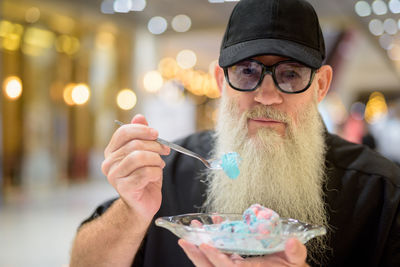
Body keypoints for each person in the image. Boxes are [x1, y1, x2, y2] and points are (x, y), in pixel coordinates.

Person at [70, 0, 400, 266]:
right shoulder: (167, 172)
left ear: (321, 85)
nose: (267, 95)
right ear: (219, 81)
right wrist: (130, 212)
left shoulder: (381, 192)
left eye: (290, 74)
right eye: (247, 71)